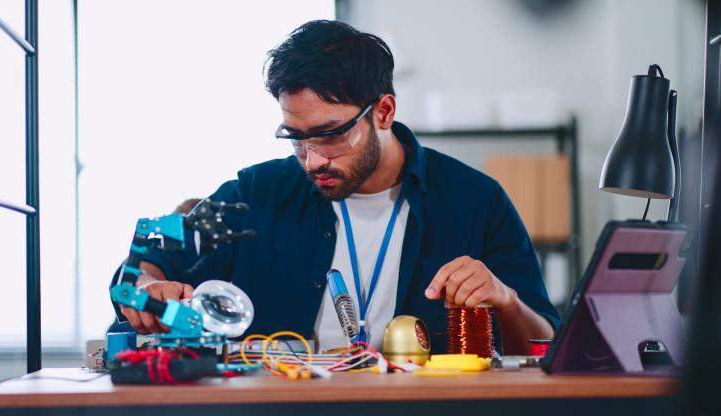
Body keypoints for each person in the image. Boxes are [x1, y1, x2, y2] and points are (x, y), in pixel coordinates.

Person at [112, 20, 559, 355]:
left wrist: (505, 300)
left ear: (383, 111)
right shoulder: (254, 192)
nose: (312, 159)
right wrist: (147, 284)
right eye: (296, 138)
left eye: (330, 134)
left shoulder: (475, 200)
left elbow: (545, 345)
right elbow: (140, 264)